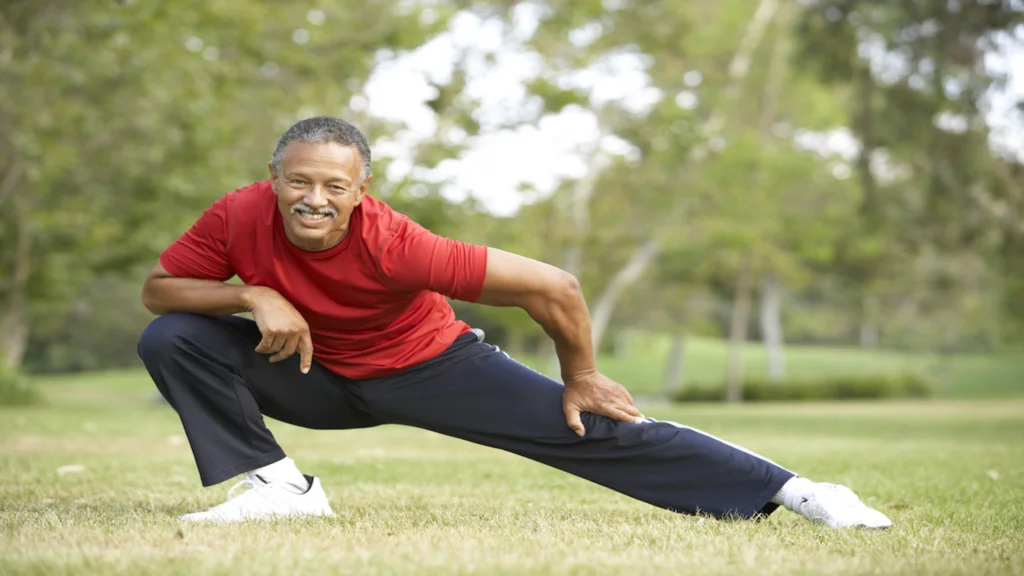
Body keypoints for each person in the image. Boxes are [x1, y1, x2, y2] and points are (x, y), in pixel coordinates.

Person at [137, 116, 892, 529]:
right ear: (273, 180)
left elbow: (553, 287)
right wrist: (249, 296)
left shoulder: (399, 247)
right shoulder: (238, 215)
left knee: (591, 431)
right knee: (174, 337)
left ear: (363, 189)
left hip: (427, 369)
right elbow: (161, 290)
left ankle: (802, 493)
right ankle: (283, 492)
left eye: (334, 185)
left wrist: (583, 376)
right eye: (298, 181)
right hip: (314, 377)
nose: (314, 198)